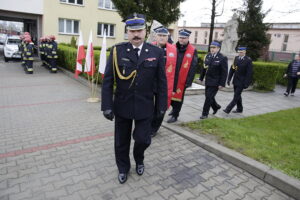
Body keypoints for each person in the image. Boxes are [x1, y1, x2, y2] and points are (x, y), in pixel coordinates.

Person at [101, 13, 167, 184]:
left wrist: (161, 106)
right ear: (127, 32)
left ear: (145, 31)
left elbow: (161, 82)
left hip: (145, 106)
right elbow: (108, 80)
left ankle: (139, 159)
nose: (136, 34)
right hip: (122, 105)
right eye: (132, 31)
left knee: (143, 139)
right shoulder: (117, 51)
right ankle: (123, 168)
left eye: (139, 30)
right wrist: (106, 106)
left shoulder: (157, 52)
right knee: (121, 141)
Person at [167, 29, 198, 123]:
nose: (181, 39)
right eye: (180, 37)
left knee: (178, 98)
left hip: (182, 79)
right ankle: (173, 109)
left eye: (184, 38)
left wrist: (189, 81)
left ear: (188, 38)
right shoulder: (172, 47)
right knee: (170, 95)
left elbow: (193, 67)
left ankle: (175, 115)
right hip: (172, 77)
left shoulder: (192, 50)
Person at [150, 26, 177, 137]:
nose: (162, 37)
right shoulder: (149, 47)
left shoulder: (173, 50)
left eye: (164, 36)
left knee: (161, 109)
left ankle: (154, 129)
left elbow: (177, 69)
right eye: (160, 35)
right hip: (150, 83)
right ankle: (146, 126)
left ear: (168, 37)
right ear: (156, 36)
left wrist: (174, 87)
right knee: (147, 107)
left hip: (164, 85)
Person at [199, 41, 228, 119]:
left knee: (208, 97)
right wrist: (201, 78)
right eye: (211, 47)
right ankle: (216, 107)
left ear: (218, 48)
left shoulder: (222, 58)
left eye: (214, 48)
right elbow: (204, 68)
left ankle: (205, 114)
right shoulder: (208, 56)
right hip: (208, 80)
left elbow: (224, 72)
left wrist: (222, 84)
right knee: (209, 96)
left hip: (216, 82)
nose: (212, 49)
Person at [223, 46, 253, 114]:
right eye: (239, 52)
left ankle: (228, 109)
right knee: (238, 95)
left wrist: (246, 83)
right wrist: (229, 79)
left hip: (242, 82)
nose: (240, 53)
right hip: (235, 81)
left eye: (241, 52)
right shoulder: (236, 58)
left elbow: (249, 73)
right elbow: (232, 69)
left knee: (236, 96)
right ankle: (240, 109)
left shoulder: (248, 60)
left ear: (245, 52)